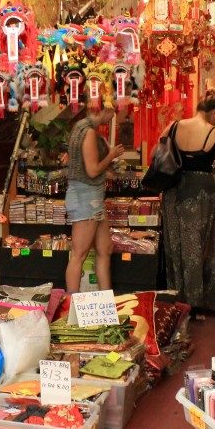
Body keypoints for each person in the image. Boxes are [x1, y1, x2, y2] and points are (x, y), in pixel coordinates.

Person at [161, 90, 215, 313]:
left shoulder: (173, 126)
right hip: (200, 193)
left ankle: (176, 299)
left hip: (174, 191)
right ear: (213, 112)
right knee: (201, 246)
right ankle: (198, 302)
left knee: (176, 244)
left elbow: (156, 153)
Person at [64, 104, 126, 293]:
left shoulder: (80, 127)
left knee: (105, 248)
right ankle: (71, 303)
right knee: (79, 254)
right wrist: (111, 155)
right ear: (104, 109)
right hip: (86, 196)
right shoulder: (89, 131)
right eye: (112, 111)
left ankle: (106, 297)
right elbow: (92, 170)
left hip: (92, 196)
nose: (113, 116)